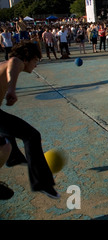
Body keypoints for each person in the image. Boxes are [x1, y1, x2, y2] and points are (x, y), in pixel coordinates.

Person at [0, 41, 60, 199]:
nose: (36, 65)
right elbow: (14, 63)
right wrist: (11, 89)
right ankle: (42, 183)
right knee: (31, 135)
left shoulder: (4, 65)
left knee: (5, 145)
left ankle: (13, 158)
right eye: (36, 61)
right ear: (27, 59)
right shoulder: (17, 62)